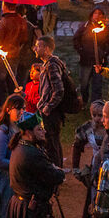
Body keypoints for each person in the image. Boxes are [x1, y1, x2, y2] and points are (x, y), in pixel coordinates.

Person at [71, 100, 106, 218]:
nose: (98, 119)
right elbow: (76, 147)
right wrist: (75, 168)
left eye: (101, 115)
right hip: (96, 169)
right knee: (94, 203)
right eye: (94, 115)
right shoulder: (86, 128)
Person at [0, 1, 32, 110]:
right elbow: (24, 39)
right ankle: (13, 110)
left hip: (2, 58)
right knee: (12, 84)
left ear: (5, 6)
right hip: (15, 56)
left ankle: (2, 111)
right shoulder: (22, 21)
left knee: (0, 86)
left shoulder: (4, 22)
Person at [33, 35, 67, 166]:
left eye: (38, 45)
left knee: (51, 143)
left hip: (51, 113)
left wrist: (48, 106)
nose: (35, 48)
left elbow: (59, 89)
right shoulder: (49, 64)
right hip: (50, 111)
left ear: (46, 49)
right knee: (54, 141)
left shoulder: (52, 65)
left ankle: (56, 173)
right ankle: (58, 170)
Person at [73, 8, 109, 103]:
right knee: (84, 83)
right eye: (95, 13)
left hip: (99, 60)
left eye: (100, 14)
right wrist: (81, 50)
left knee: (97, 84)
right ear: (91, 15)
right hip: (86, 59)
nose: (97, 16)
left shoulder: (105, 28)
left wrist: (104, 53)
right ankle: (84, 100)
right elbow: (76, 39)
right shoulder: (85, 26)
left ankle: (95, 104)